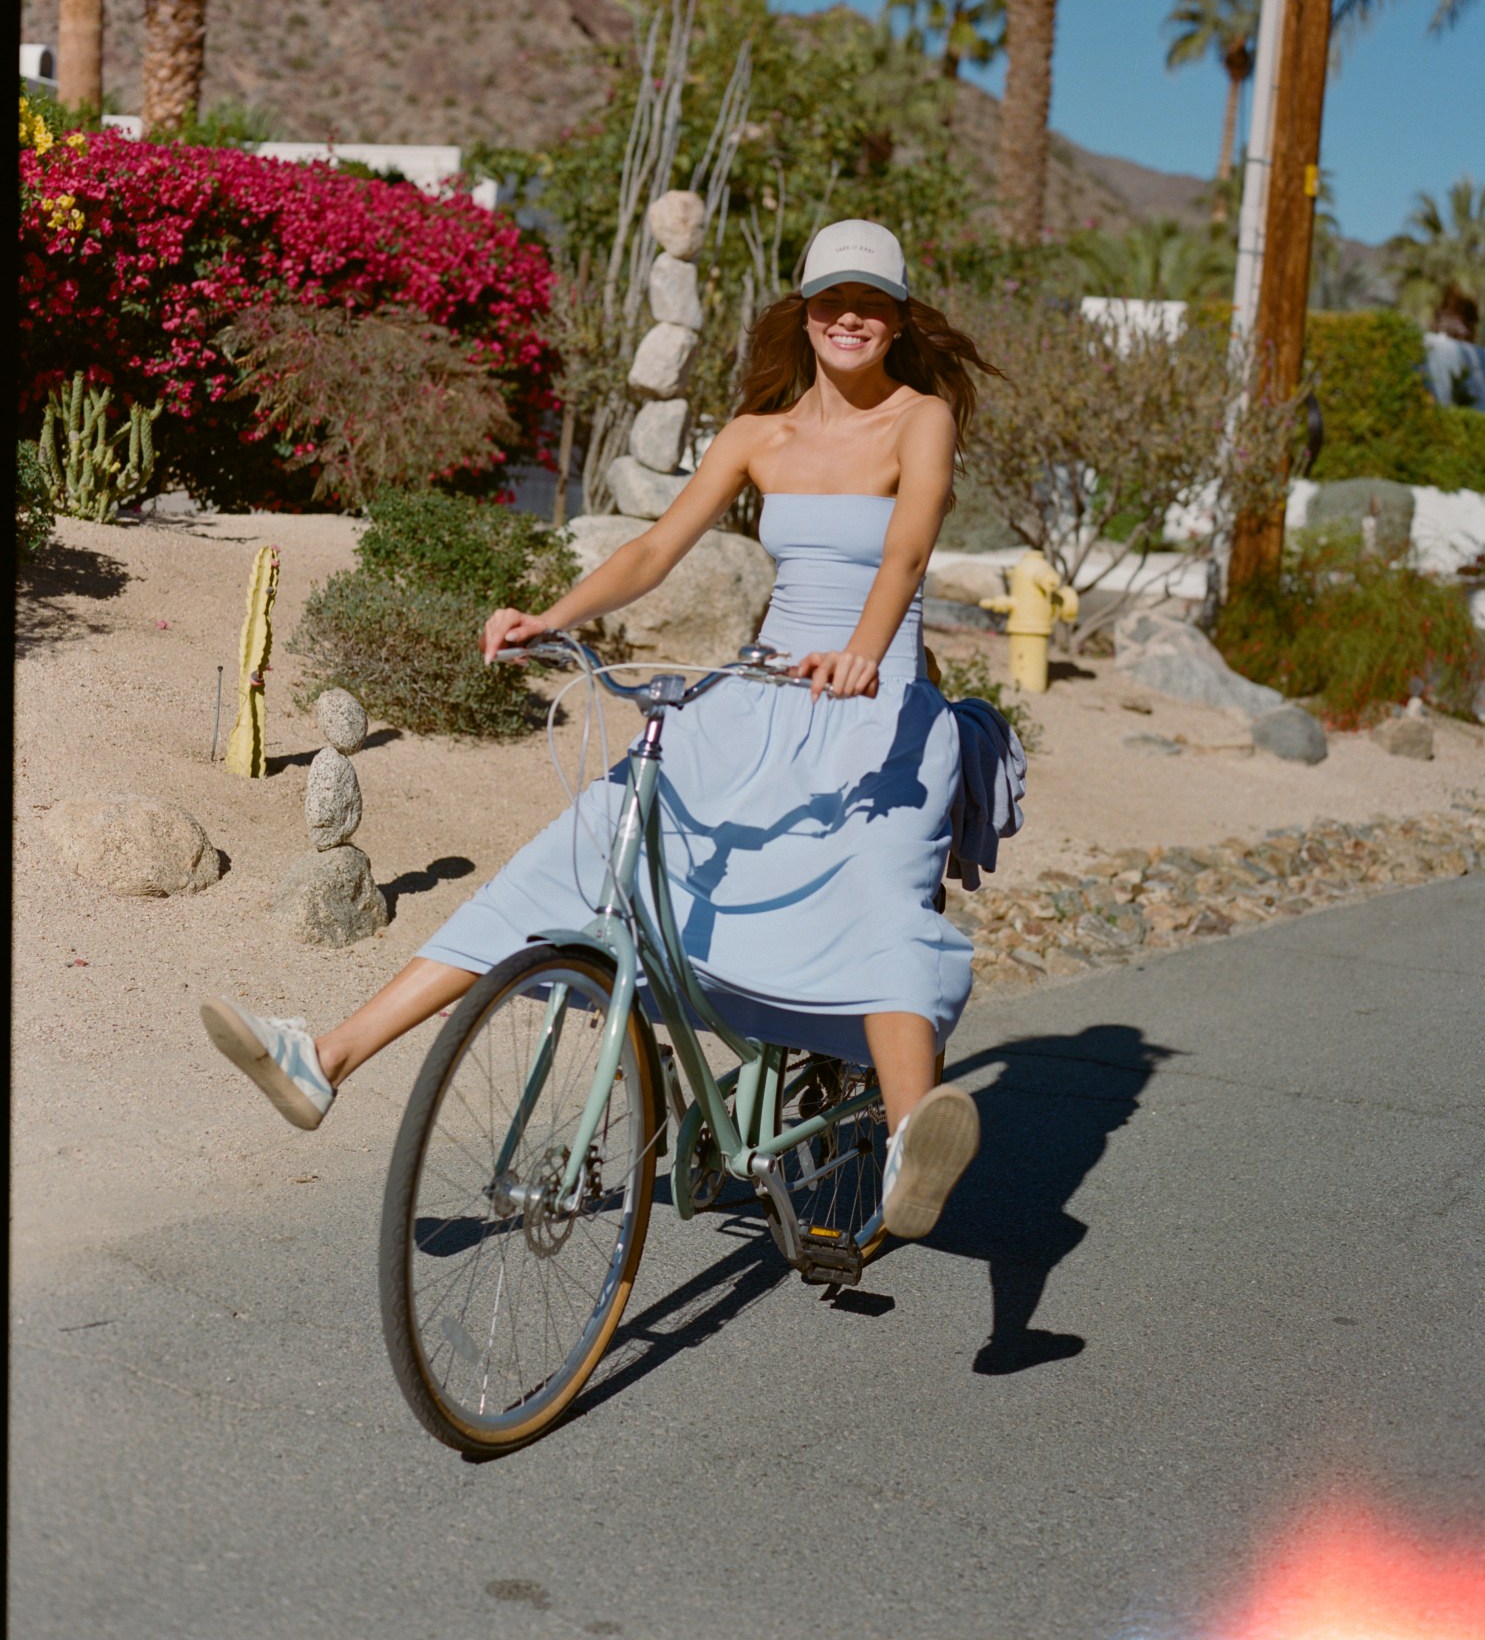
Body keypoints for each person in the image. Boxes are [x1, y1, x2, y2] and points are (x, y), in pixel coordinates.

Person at [202, 218, 1009, 1241]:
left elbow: (907, 546)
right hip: (759, 695)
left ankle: (906, 1152)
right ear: (802, 311)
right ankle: (328, 1056)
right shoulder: (758, 433)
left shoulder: (918, 417)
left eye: (873, 301)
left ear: (896, 319)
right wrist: (554, 617)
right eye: (830, 298)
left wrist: (863, 647)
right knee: (577, 853)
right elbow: (656, 548)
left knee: (876, 891)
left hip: (876, 701)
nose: (850, 316)